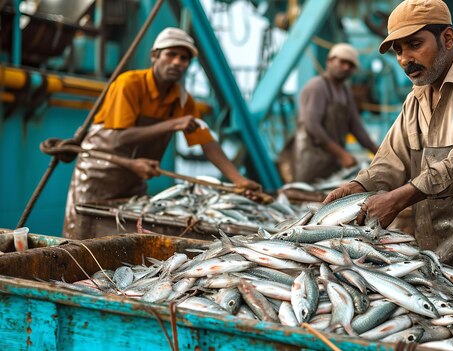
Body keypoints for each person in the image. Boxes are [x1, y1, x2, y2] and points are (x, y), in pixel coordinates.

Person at [325, 0, 453, 273]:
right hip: (435, 258)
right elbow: (390, 163)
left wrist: (397, 200)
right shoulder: (415, 100)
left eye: (415, 44)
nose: (404, 59)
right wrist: (357, 187)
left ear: (447, 38)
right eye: (398, 50)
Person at [63, 27, 260, 239]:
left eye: (184, 58)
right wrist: (173, 124)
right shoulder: (128, 84)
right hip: (97, 177)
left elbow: (207, 143)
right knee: (82, 235)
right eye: (171, 54)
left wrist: (238, 180)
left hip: (135, 179)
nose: (178, 62)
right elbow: (120, 137)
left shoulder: (182, 100)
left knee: (126, 238)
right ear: (154, 55)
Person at [291, 43, 379, 183]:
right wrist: (342, 154)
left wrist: (379, 152)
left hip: (333, 165)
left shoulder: (345, 91)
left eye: (351, 65)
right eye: (342, 62)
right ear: (329, 61)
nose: (346, 68)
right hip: (311, 164)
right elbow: (312, 125)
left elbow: (356, 127)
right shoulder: (317, 86)